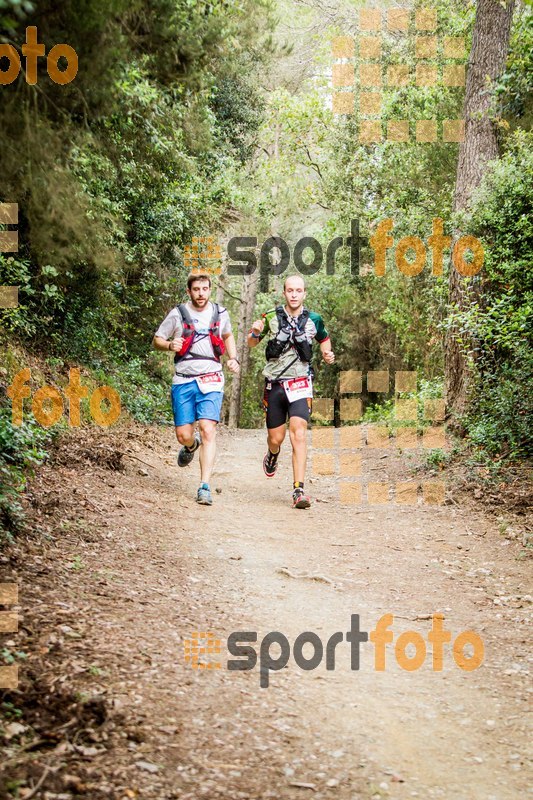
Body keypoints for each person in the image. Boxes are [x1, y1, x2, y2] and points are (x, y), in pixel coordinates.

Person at [248, 274, 335, 509]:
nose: (294, 295)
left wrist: (328, 354)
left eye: (298, 291)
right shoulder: (271, 317)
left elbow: (324, 338)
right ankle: (272, 453)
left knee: (299, 433)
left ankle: (299, 490)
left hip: (301, 383)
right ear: (284, 293)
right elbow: (251, 343)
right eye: (290, 291)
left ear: (304, 293)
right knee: (276, 438)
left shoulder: (313, 319)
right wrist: (255, 333)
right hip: (275, 384)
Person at [153, 273, 239, 505]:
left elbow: (228, 335)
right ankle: (191, 445)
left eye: (205, 289)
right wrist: (171, 344)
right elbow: (157, 339)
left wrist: (233, 358)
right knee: (183, 435)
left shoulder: (220, 313)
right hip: (184, 380)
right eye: (196, 289)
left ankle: (204, 486)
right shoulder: (178, 314)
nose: (201, 293)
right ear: (189, 291)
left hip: (212, 379)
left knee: (208, 429)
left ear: (210, 289)